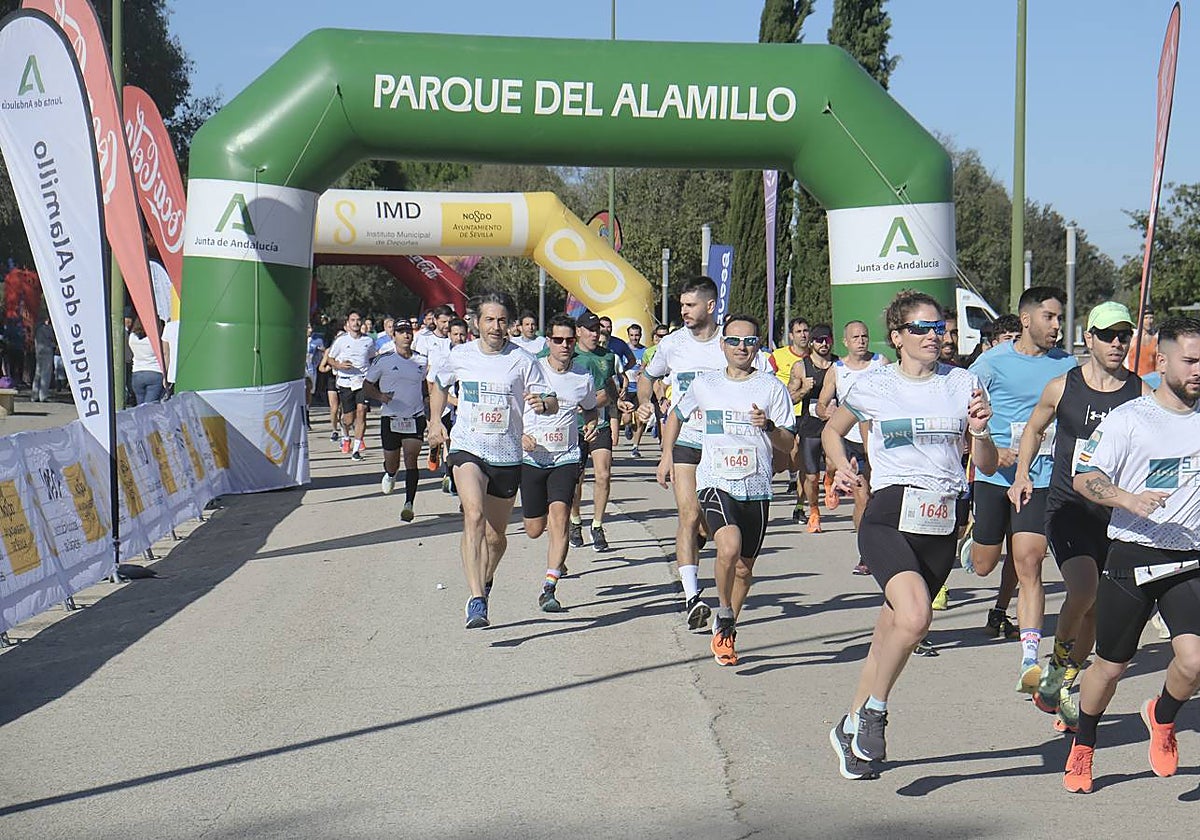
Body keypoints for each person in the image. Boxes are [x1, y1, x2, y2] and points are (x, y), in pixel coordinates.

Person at [822, 291, 997, 781]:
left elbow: (983, 464)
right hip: (889, 513)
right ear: (897, 337)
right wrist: (842, 469)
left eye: (938, 328)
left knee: (889, 633)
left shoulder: (963, 382)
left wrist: (980, 432)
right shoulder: (875, 384)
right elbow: (834, 430)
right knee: (917, 618)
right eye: (920, 328)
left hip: (943, 519)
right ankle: (876, 710)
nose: (932, 336)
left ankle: (850, 725)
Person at [1062, 316, 1200, 794]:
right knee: (1111, 666)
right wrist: (1127, 499)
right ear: (1162, 362)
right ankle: (1084, 743)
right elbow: (1084, 477)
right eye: (1190, 360)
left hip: (1189, 556)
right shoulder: (1131, 419)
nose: (1199, 370)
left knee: (1194, 662)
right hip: (1133, 553)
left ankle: (1161, 718)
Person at [1008, 302, 1145, 732]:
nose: (1117, 343)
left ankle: (1064, 681)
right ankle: (1055, 666)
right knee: (1083, 591)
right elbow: (1033, 429)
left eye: (1124, 335)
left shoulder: (1139, 392)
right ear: (1089, 339)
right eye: (1108, 335)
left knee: (1097, 611)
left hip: (1115, 515)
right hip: (1067, 507)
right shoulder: (1062, 386)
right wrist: (1023, 474)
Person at [666, 314, 794, 665]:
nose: (741, 347)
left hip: (756, 488)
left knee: (744, 569)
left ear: (758, 346)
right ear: (722, 345)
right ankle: (723, 610)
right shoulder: (706, 384)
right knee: (729, 545)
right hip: (716, 481)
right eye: (734, 341)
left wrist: (767, 426)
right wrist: (666, 455)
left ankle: (727, 630)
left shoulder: (771, 388)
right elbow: (676, 414)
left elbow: (787, 443)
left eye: (749, 341)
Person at [968, 287, 1078, 694]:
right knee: (983, 564)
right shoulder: (991, 363)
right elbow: (966, 416)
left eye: (1059, 318)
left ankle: (1030, 659)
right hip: (995, 475)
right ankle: (978, 542)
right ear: (1026, 319)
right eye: (1049, 317)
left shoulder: (1067, 366)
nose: (1056, 326)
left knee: (1030, 561)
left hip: (1042, 477)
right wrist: (993, 451)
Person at [427, 291, 557, 629]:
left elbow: (550, 397)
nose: (495, 326)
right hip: (468, 446)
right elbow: (438, 383)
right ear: (476, 323)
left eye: (501, 320)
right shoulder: (460, 355)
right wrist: (435, 419)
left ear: (509, 324)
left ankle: (485, 580)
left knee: (496, 538)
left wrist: (544, 405)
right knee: (473, 514)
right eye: (489, 320)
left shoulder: (522, 360)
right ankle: (476, 600)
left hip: (507, 454)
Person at [639, 277, 729, 628]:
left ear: (710, 305)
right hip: (686, 440)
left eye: (690, 305)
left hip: (722, 445)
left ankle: (700, 540)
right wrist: (645, 402)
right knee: (688, 516)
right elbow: (647, 376)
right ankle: (693, 597)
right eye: (681, 306)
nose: (683, 311)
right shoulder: (673, 344)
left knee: (707, 524)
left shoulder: (728, 343)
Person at [521, 314, 599, 612]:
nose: (564, 345)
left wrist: (591, 424)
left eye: (569, 340)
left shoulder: (583, 376)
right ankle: (555, 559)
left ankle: (550, 586)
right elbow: (511, 409)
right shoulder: (532, 370)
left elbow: (591, 410)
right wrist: (520, 437)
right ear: (548, 342)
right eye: (558, 340)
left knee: (560, 517)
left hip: (566, 457)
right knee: (533, 529)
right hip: (532, 457)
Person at [818, 320, 890, 573]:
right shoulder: (837, 370)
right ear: (845, 342)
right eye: (855, 337)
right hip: (849, 440)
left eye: (864, 336)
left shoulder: (881, 364)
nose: (861, 341)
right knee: (862, 496)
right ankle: (866, 552)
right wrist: (827, 412)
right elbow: (821, 404)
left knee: (875, 497)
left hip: (877, 440)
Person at [566, 312, 626, 552]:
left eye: (597, 330)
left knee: (603, 474)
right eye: (589, 329)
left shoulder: (607, 356)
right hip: (573, 426)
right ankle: (575, 521)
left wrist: (615, 414)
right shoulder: (568, 355)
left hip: (599, 423)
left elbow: (611, 387)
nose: (594, 334)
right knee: (576, 478)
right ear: (578, 331)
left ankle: (598, 524)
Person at [362, 319, 428, 522]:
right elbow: (367, 386)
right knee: (393, 462)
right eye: (401, 332)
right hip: (390, 418)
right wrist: (381, 397)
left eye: (408, 331)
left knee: (411, 459)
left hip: (415, 416)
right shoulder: (384, 360)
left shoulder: (422, 361)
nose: (406, 335)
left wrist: (431, 411)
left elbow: (426, 387)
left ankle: (409, 504)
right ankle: (390, 474)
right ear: (394, 336)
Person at [789, 323, 837, 532]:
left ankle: (830, 479)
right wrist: (803, 390)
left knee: (834, 464)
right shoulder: (801, 367)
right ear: (812, 342)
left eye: (827, 339)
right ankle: (814, 512)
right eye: (819, 340)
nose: (823, 344)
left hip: (835, 423)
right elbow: (789, 398)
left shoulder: (839, 365)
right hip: (810, 424)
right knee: (810, 475)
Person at [769, 317, 810, 515]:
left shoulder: (815, 356)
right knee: (781, 462)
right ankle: (775, 473)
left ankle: (797, 488)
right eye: (799, 331)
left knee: (798, 452)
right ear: (791, 336)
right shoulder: (778, 356)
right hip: (784, 413)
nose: (803, 335)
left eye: (806, 331)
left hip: (807, 415)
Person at [327, 311, 376, 461]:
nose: (355, 323)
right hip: (345, 382)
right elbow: (330, 359)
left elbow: (372, 358)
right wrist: (339, 365)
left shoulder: (368, 341)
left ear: (361, 323)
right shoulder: (341, 341)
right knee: (348, 418)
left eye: (358, 320)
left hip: (362, 381)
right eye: (352, 320)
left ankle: (356, 450)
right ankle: (345, 435)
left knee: (361, 411)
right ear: (348, 323)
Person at [622, 323, 647, 456]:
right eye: (632, 335)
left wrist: (642, 373)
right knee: (626, 416)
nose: (634, 338)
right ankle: (627, 426)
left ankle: (635, 447)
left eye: (637, 335)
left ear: (640, 336)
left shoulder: (645, 351)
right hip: (626, 388)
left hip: (639, 389)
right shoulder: (624, 349)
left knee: (639, 418)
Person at [128, 317, 165, 405]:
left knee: (140, 407)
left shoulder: (132, 337)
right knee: (150, 407)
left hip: (137, 373)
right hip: (155, 372)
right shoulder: (155, 338)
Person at [1125, 307, 1158, 377]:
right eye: (1146, 318)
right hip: (1133, 379)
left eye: (1151, 318)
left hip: (1150, 381)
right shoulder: (1132, 337)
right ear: (1140, 320)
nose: (1149, 321)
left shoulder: (1156, 339)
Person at [33, 316, 55, 403]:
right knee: (45, 374)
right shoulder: (47, 329)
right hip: (47, 351)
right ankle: (43, 395)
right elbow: (51, 339)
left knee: (38, 373)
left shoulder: (38, 328)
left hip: (39, 351)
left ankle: (34, 395)